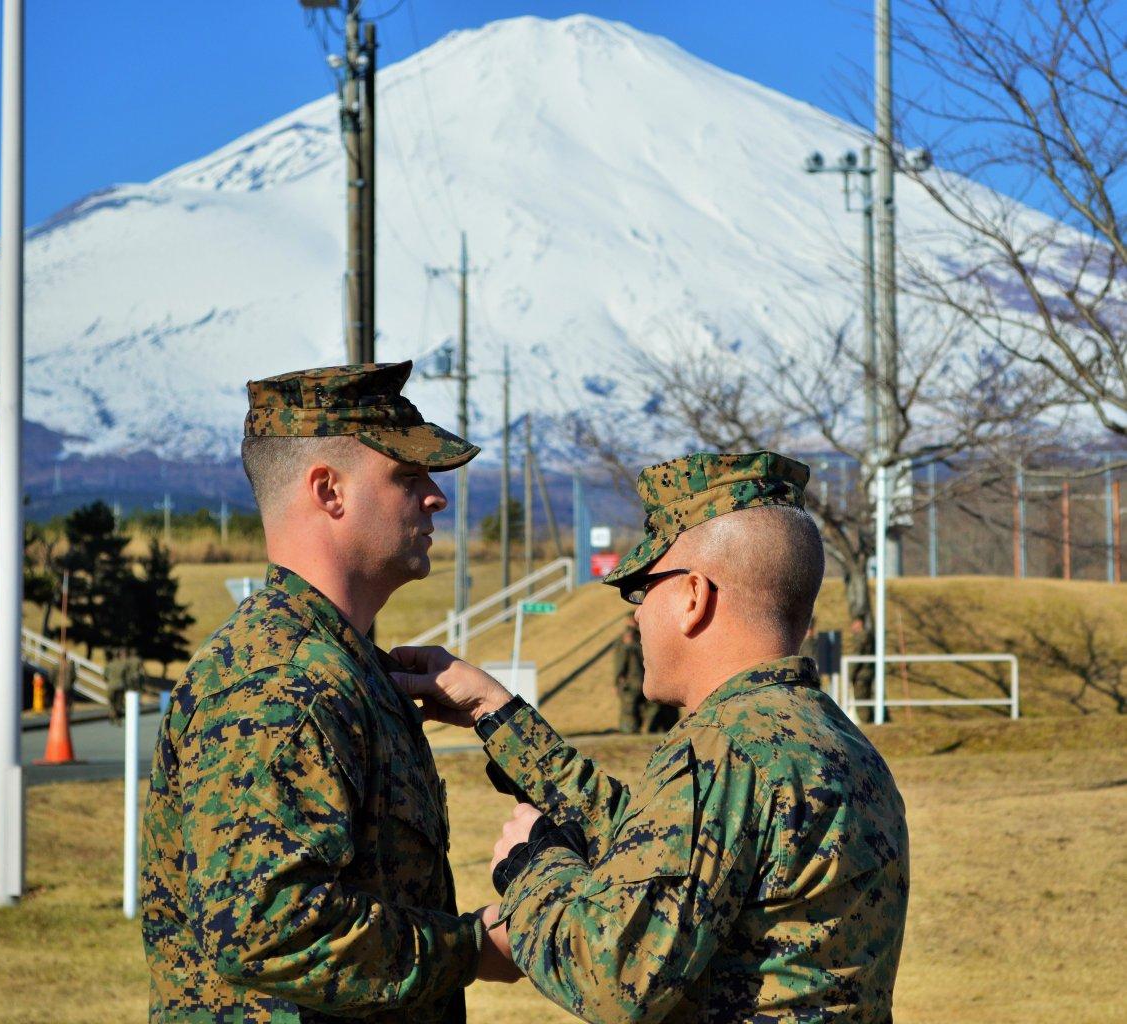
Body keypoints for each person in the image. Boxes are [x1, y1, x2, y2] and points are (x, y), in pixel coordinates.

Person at [394, 450, 910, 1024]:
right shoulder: (830, 739)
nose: (637, 615)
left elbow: (613, 978)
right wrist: (498, 715)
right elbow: (664, 847)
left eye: (641, 591)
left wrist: (533, 865)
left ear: (693, 596)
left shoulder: (724, 749)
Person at [140, 361, 518, 1024]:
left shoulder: (344, 666)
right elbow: (267, 930)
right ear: (329, 491)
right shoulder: (282, 683)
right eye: (408, 476)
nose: (436, 497)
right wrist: (471, 949)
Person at [613, 615, 677, 735]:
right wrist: (618, 680)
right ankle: (633, 732)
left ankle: (644, 730)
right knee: (632, 708)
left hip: (640, 679)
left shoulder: (637, 637)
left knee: (642, 708)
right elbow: (621, 661)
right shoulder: (629, 638)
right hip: (634, 680)